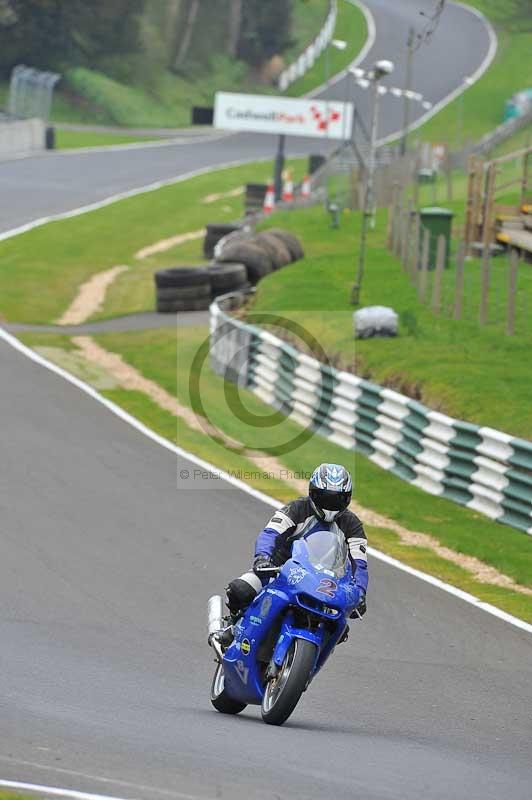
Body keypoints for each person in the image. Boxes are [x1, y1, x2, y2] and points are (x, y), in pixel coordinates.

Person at [226, 463, 368, 622]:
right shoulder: (297, 508)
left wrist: (360, 592)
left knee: (340, 623)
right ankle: (232, 625)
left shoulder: (352, 524)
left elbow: (359, 563)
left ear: (347, 499)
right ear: (313, 493)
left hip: (326, 583)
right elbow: (271, 533)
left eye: (337, 500)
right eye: (325, 498)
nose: (330, 505)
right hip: (280, 570)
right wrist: (262, 558)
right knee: (240, 589)